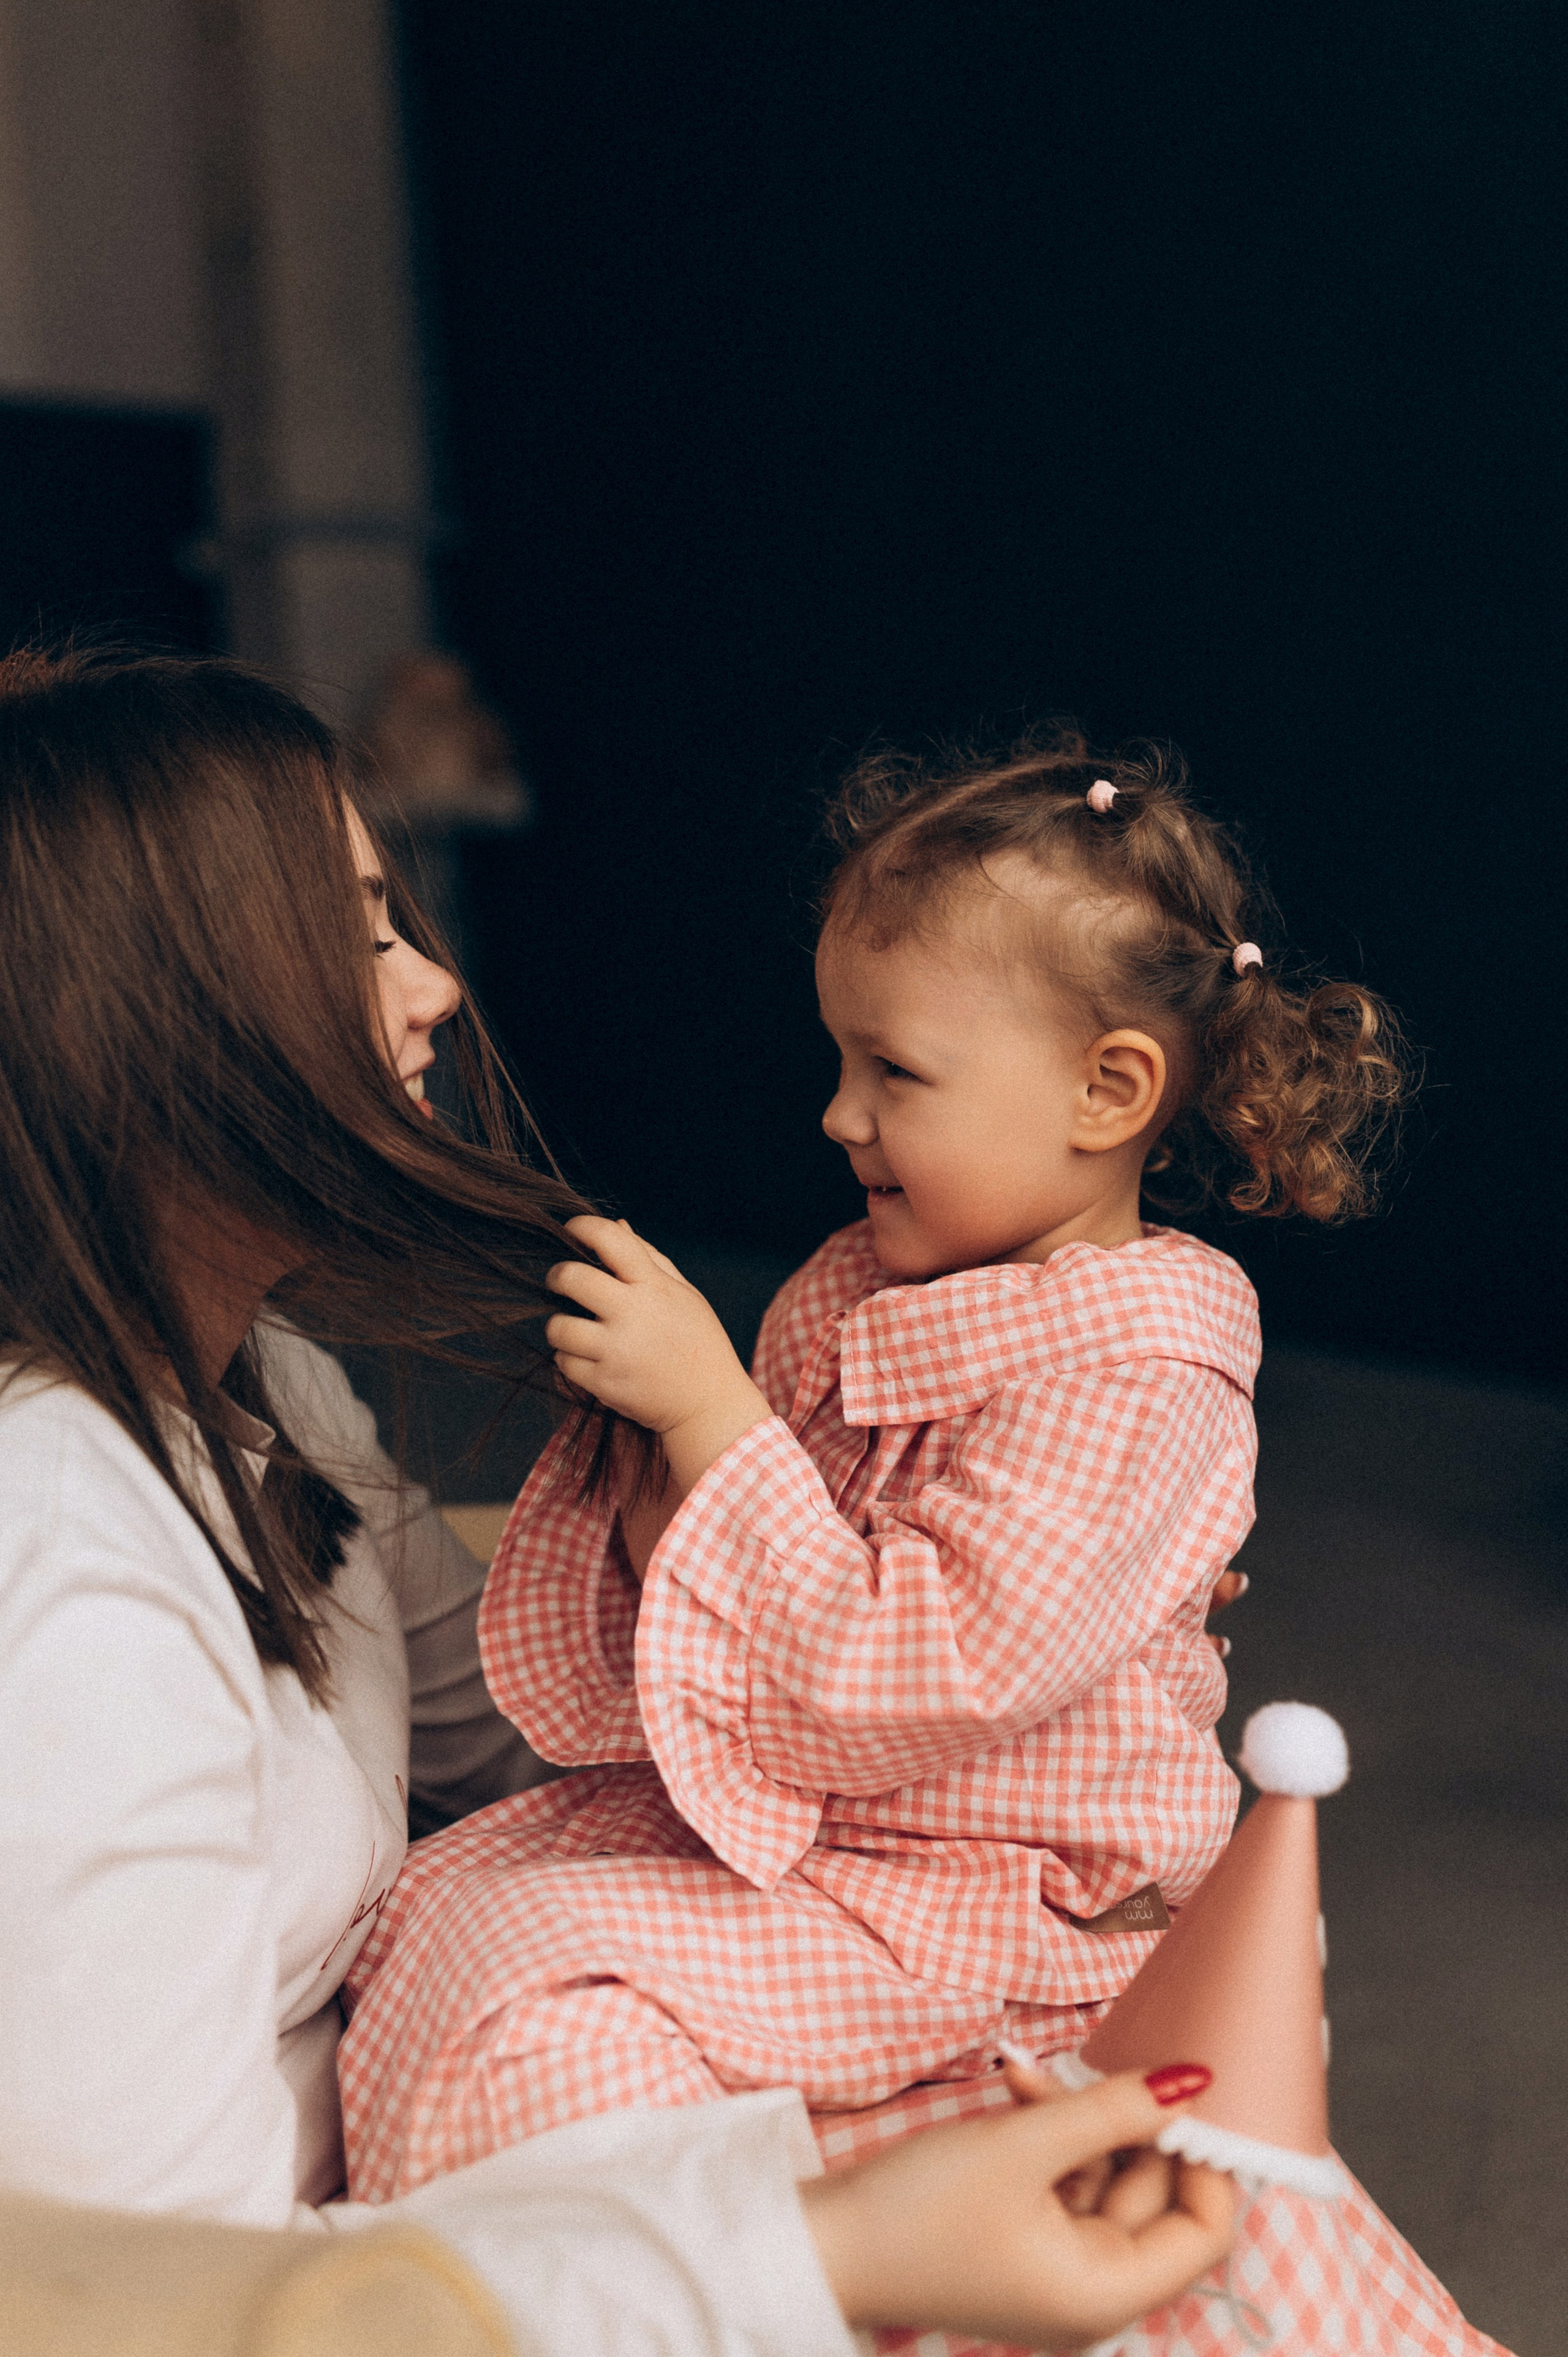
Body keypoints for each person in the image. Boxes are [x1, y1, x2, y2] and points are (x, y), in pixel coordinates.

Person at [0, 649, 1238, 2356]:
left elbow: (492, 1719)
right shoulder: (58, 1583)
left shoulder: (267, 1379)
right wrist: (833, 2256)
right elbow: (138, 2302)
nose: (434, 985)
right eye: (362, 929)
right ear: (158, 1019)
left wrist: (1030, 1633)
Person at [340, 726, 1408, 2207]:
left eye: (892, 1071)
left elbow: (911, 1669)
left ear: (1106, 1093)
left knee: (530, 2016)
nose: (838, 1115)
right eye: (840, 1059)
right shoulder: (857, 1281)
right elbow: (715, 1572)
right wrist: (653, 1437)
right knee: (439, 1909)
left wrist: (710, 1423)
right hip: (836, 1825)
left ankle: (676, 2252)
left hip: (995, 1887)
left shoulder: (1137, 1381)